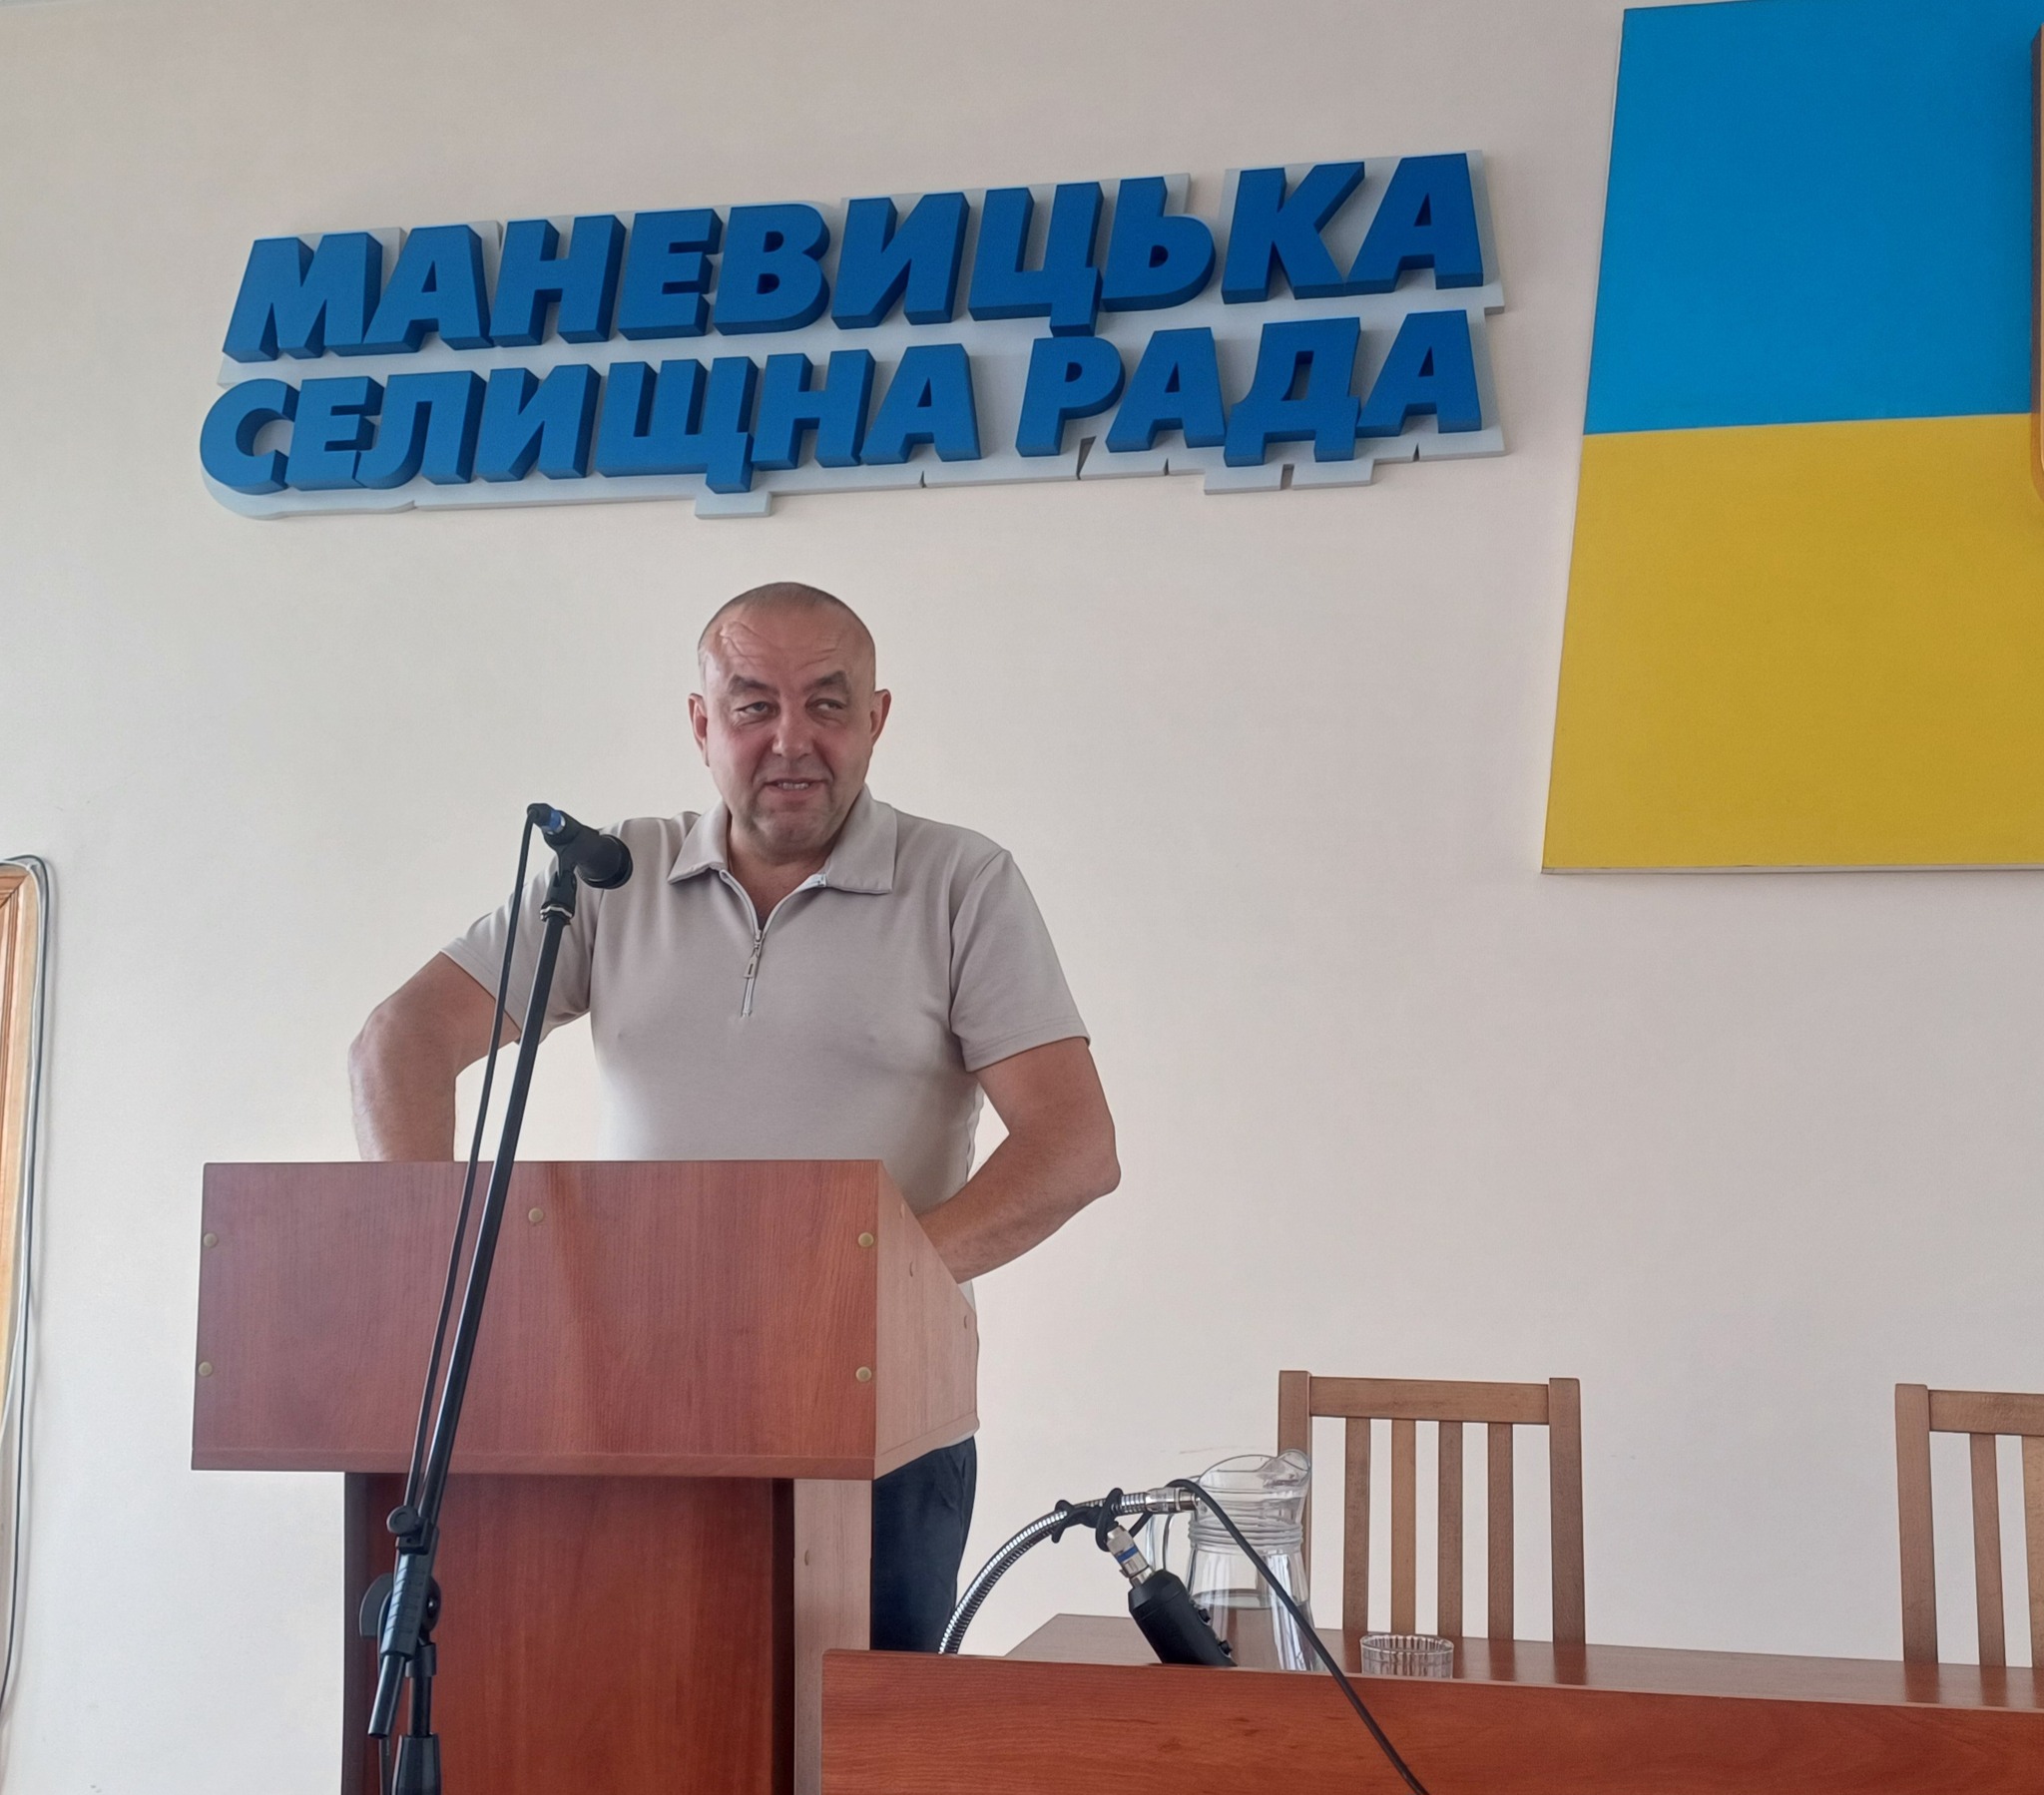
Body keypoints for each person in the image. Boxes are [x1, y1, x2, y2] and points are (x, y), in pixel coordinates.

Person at [348, 581, 1120, 1651]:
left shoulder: (962, 882)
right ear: (702, 723)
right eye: (754, 705)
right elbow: (400, 1039)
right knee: (632, 1714)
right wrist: (427, 1252)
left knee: (853, 1731)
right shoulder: (610, 875)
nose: (791, 739)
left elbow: (1072, 1146)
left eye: (827, 704)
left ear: (876, 720)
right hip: (628, 1406)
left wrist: (874, 1278)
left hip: (879, 1419)